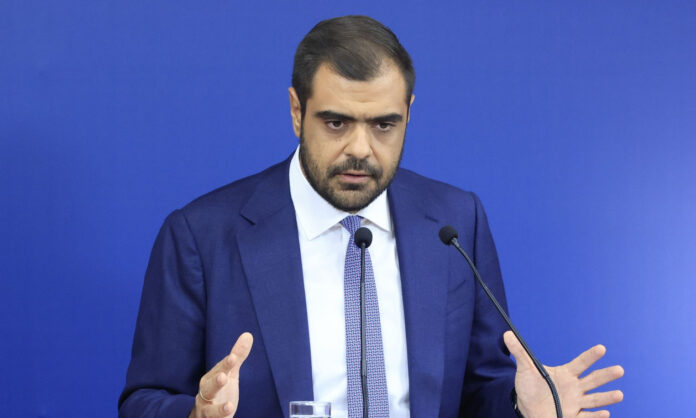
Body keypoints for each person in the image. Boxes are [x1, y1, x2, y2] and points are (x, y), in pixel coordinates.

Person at [119, 15, 623, 418]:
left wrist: (520, 406)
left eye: (384, 125)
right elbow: (144, 401)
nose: (360, 149)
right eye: (336, 122)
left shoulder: (454, 221)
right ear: (296, 111)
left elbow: (479, 389)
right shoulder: (202, 235)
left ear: (408, 114)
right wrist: (196, 414)